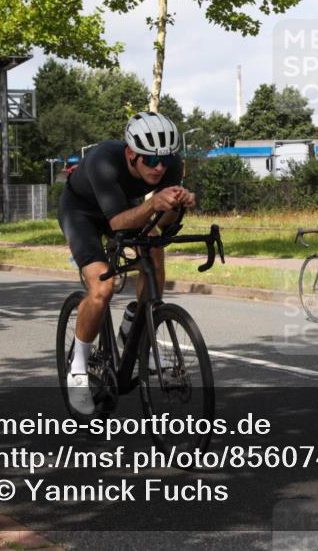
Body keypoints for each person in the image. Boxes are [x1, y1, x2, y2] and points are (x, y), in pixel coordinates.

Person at [57, 111, 195, 413]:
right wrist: (153, 203)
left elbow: (164, 222)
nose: (159, 167)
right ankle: (78, 368)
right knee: (102, 288)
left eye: (164, 160)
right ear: (131, 154)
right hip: (81, 213)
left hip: (121, 207)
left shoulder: (169, 164)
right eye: (151, 159)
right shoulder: (103, 161)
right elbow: (118, 223)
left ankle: (139, 321)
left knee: (154, 249)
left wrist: (176, 204)